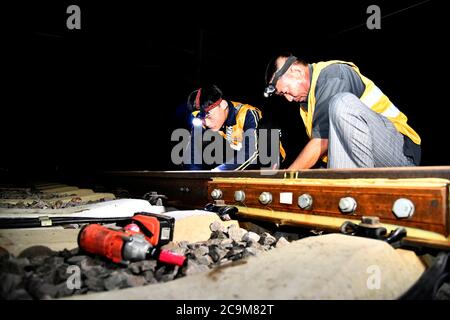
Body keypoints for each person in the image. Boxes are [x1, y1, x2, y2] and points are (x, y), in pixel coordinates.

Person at [263, 53, 421, 169]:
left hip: (399, 152)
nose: (289, 99)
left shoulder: (332, 76)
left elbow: (321, 142)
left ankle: (352, 191)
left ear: (297, 72)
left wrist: (287, 177)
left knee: (341, 102)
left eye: (285, 92)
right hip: (369, 157)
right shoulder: (307, 105)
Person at [184, 84, 263, 171]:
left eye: (208, 115)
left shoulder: (247, 114)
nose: (206, 123)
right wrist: (195, 180)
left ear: (223, 104)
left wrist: (218, 171)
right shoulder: (203, 122)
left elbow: (251, 154)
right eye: (200, 118)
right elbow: (192, 154)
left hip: (271, 164)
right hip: (240, 164)